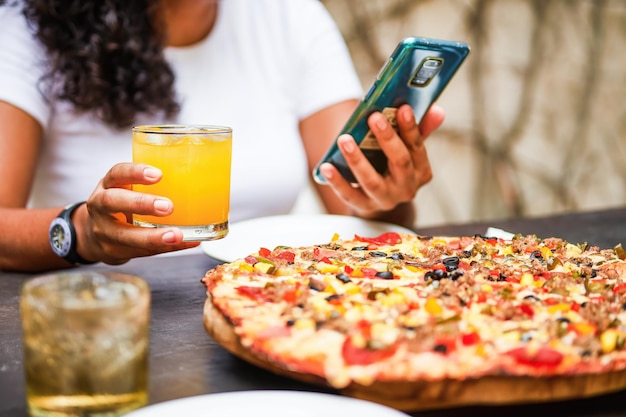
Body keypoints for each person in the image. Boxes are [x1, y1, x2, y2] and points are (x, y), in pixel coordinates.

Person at [0, 0, 445, 272]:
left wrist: (388, 193)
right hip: (100, 311)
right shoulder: (28, 27)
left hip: (270, 299)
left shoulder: (291, 16)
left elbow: (351, 203)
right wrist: (82, 232)